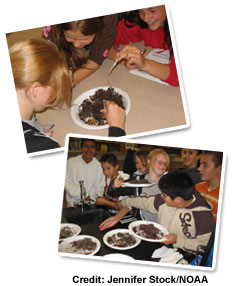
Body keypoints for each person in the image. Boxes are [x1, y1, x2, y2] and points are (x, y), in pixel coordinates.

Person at [100, 171, 215, 253]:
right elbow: (143, 202)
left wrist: (178, 240)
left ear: (178, 200)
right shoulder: (164, 200)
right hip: (161, 247)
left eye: (164, 195)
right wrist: (123, 202)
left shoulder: (203, 216)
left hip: (184, 255)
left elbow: (204, 246)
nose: (161, 196)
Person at [9, 38, 71, 154]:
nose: (56, 93)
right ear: (35, 90)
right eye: (56, 87)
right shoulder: (43, 147)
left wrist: (35, 129)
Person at [108, 5, 179, 86]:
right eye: (141, 11)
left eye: (152, 11)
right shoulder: (139, 21)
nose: (146, 18)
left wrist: (144, 63)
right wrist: (123, 60)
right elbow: (103, 43)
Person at [42, 15, 118, 86]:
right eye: (69, 36)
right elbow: (46, 54)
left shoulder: (109, 18)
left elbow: (95, 60)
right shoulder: (53, 27)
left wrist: (72, 81)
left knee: (101, 50)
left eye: (85, 38)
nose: (76, 45)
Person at [104, 148, 170, 222]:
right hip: (142, 224)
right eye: (160, 162)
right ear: (149, 162)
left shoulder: (168, 183)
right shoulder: (138, 181)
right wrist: (114, 185)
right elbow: (111, 193)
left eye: (165, 163)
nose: (163, 166)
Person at [64, 139, 105, 207]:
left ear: (95, 150)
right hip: (73, 205)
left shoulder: (99, 166)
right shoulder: (71, 162)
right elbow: (67, 183)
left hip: (91, 205)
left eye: (92, 147)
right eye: (86, 146)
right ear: (81, 149)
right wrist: (83, 195)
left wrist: (95, 197)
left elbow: (100, 186)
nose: (89, 150)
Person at [196, 151, 223, 222]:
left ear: (219, 168)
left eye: (205, 165)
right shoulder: (197, 188)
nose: (199, 169)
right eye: (200, 164)